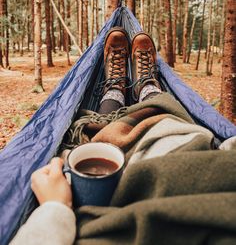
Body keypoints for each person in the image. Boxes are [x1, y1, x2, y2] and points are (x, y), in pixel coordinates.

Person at [10, 29, 236, 245]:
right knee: (165, 114)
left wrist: (55, 209)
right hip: (186, 148)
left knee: (101, 125)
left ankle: (115, 90)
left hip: (105, 196)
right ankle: (148, 87)